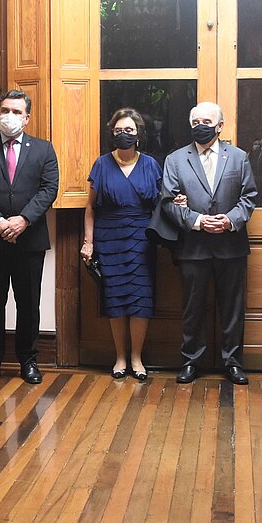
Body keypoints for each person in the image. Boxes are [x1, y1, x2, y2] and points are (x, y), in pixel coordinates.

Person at [0, 90, 59, 385]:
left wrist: (23, 220)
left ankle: (28, 361)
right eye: (5, 110)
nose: (10, 116)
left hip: (29, 241)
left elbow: (49, 189)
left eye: (17, 112)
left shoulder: (44, 150)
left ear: (27, 118)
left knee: (28, 303)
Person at [160, 101, 257, 385]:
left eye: (206, 122)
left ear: (220, 126)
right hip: (193, 246)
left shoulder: (238, 157)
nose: (200, 127)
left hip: (231, 244)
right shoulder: (175, 159)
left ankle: (233, 362)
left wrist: (229, 220)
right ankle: (191, 361)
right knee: (192, 308)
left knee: (233, 308)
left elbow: (249, 197)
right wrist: (198, 221)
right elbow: (168, 200)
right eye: (195, 122)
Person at [81, 108, 162, 381]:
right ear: (112, 133)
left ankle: (137, 358)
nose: (123, 134)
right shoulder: (101, 164)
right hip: (109, 238)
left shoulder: (150, 164)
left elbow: (161, 204)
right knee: (115, 299)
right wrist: (89, 242)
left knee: (141, 300)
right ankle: (120, 358)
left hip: (142, 239)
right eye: (118, 130)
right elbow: (90, 207)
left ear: (138, 134)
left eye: (129, 130)